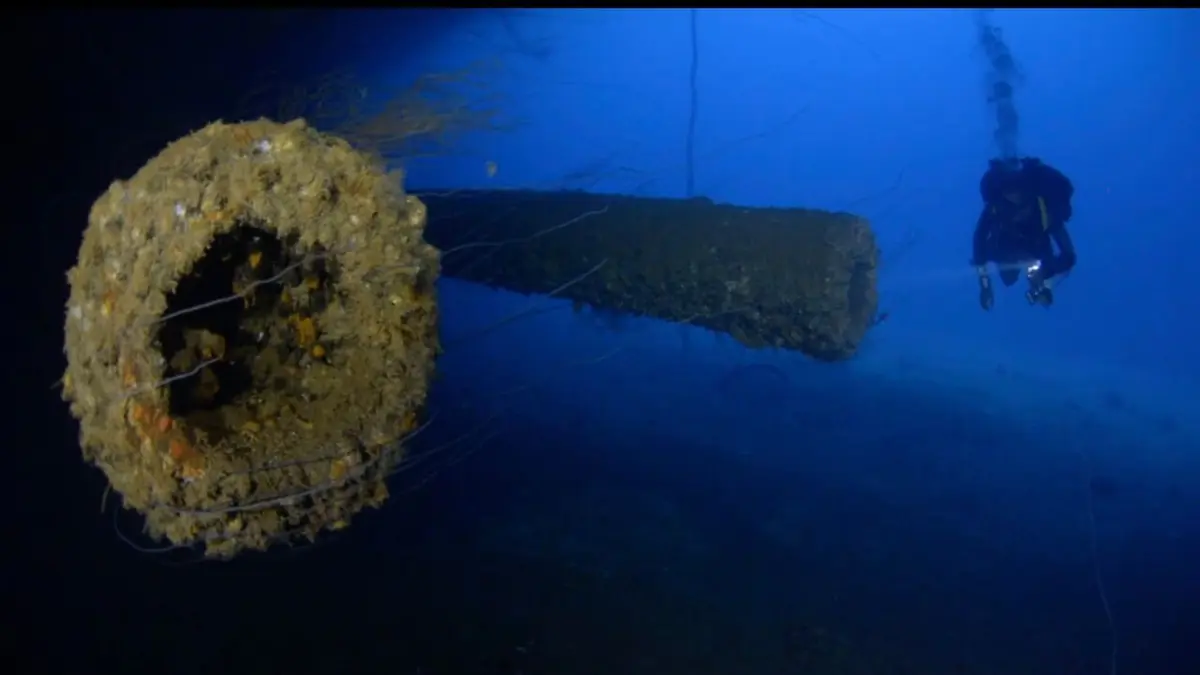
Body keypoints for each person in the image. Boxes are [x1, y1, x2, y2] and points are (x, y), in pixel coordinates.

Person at [971, 157, 1077, 310]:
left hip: (1035, 249)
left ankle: (1039, 284)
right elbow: (979, 245)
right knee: (1009, 277)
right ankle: (1035, 282)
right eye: (1010, 204)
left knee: (1021, 272)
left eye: (1022, 203)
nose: (1018, 212)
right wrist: (985, 285)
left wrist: (1046, 272)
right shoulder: (995, 210)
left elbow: (1069, 256)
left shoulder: (1046, 212)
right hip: (1006, 248)